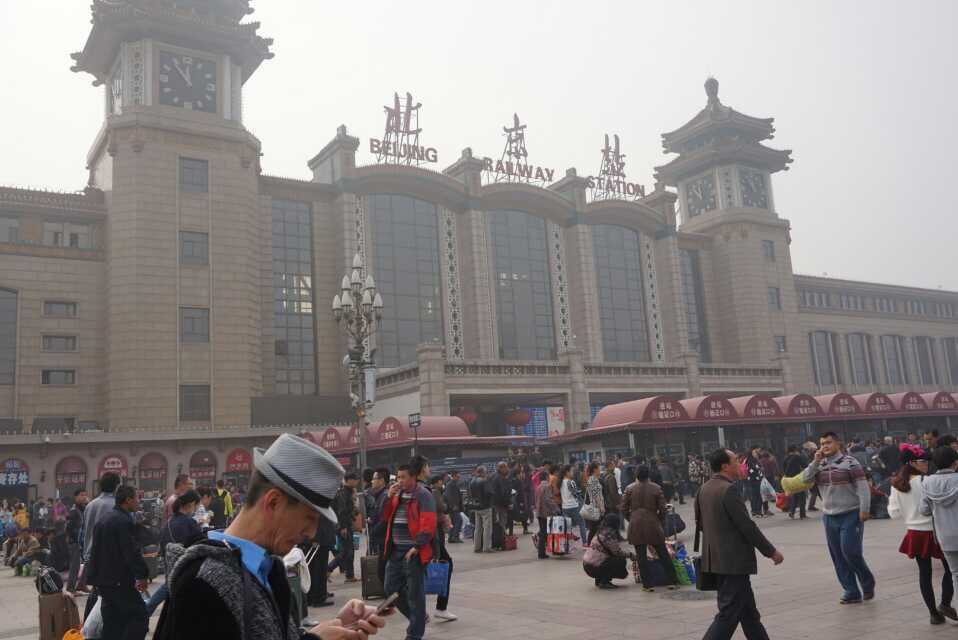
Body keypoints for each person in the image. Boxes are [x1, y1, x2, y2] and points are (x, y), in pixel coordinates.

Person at [154, 433, 387, 640]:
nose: (311, 533)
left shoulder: (270, 570)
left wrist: (335, 628)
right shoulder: (202, 583)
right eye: (309, 518)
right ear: (273, 502)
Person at [801, 431, 874, 604]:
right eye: (822, 443)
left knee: (850, 551)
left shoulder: (850, 462)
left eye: (828, 442)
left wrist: (864, 509)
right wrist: (816, 461)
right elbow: (805, 479)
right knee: (838, 556)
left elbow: (863, 487)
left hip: (851, 513)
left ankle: (867, 581)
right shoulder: (819, 463)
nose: (825, 446)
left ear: (838, 444)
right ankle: (851, 590)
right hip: (829, 516)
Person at [888, 444, 955, 625]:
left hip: (914, 533)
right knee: (951, 569)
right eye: (923, 461)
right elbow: (931, 508)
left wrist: (909, 513)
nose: (926, 464)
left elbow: (893, 513)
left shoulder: (896, 484)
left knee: (924, 573)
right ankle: (945, 603)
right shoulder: (926, 481)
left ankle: (934, 613)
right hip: (934, 531)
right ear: (912, 463)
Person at [380, 461, 437, 640]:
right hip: (395, 550)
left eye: (403, 477)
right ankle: (418, 618)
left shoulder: (423, 494)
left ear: (413, 477)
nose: (400, 480)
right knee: (390, 589)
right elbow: (384, 516)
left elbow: (428, 523)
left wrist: (417, 546)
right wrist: (388, 497)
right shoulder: (397, 494)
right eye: (398, 477)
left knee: (415, 594)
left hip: (413, 552)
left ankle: (414, 634)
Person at [85, 485, 150, 640]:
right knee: (139, 616)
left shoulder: (104, 520)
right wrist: (142, 575)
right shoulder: (123, 521)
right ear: (127, 500)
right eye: (136, 498)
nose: (138, 502)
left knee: (112, 622)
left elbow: (95, 551)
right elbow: (131, 552)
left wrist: (94, 578)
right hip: (119, 581)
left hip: (105, 582)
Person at [621, 465, 676, 592]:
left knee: (641, 556)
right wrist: (659, 521)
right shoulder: (656, 488)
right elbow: (663, 509)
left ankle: (648, 585)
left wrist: (632, 518)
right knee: (663, 553)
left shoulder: (629, 489)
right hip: (653, 523)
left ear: (636, 475)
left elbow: (623, 508)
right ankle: (672, 581)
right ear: (648, 475)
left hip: (636, 524)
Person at [920, 446, 958, 609]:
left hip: (945, 537)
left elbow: (924, 510)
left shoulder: (927, 482)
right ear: (955, 463)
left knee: (955, 574)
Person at [427, 471, 458, 622]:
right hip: (430, 534)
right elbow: (441, 507)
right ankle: (440, 608)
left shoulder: (424, 490)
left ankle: (438, 608)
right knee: (446, 564)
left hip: (429, 534)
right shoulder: (431, 492)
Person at [582, 513, 634, 589]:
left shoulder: (600, 530)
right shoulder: (609, 534)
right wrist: (631, 555)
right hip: (593, 567)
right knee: (620, 561)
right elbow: (617, 552)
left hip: (587, 565)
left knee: (607, 558)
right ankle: (604, 582)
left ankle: (599, 580)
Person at [328, 471, 360, 583]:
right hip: (343, 526)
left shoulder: (349, 492)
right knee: (347, 551)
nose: (357, 481)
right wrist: (343, 527)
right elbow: (342, 511)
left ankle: (349, 575)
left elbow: (350, 510)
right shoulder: (343, 493)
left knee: (348, 550)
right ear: (349, 480)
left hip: (345, 525)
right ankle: (329, 569)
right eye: (355, 479)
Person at [65, 488, 89, 595]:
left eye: (85, 495)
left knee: (87, 563)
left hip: (83, 542)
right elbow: (69, 528)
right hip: (74, 542)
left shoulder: (83, 509)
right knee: (75, 566)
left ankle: (82, 584)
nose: (84, 497)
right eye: (81, 495)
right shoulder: (74, 511)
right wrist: (75, 540)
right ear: (76, 497)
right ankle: (70, 588)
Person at [534, 465, 559, 559]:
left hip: (539, 512)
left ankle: (542, 551)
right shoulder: (547, 487)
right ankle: (544, 552)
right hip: (546, 513)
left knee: (543, 532)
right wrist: (556, 509)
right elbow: (549, 500)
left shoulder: (538, 487)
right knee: (547, 533)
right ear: (546, 477)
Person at [560, 465, 588, 544]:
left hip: (564, 507)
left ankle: (566, 546)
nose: (572, 473)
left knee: (568, 527)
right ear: (567, 472)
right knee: (582, 523)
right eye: (571, 471)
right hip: (574, 506)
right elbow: (576, 494)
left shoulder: (561, 481)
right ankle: (585, 543)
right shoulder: (571, 482)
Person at [469, 465, 493, 553]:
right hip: (485, 507)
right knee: (487, 528)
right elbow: (489, 493)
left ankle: (476, 547)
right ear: (482, 472)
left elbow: (471, 495)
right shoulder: (484, 481)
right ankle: (487, 547)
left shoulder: (472, 481)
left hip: (476, 507)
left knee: (478, 528)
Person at [367, 467, 391, 554]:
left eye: (374, 479)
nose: (371, 481)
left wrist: (372, 531)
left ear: (381, 481)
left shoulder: (385, 496)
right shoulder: (378, 496)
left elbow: (384, 519)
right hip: (378, 538)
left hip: (382, 540)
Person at [782, 445, 807, 520]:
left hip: (789, 480)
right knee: (802, 496)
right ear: (795, 450)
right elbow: (805, 465)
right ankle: (802, 515)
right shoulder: (797, 457)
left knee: (795, 496)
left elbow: (783, 469)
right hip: (797, 479)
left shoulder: (785, 458)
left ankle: (792, 512)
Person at [583, 461, 606, 543]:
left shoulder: (594, 479)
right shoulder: (593, 480)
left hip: (594, 507)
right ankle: (590, 546)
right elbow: (596, 496)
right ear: (595, 469)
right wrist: (601, 508)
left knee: (596, 529)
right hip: (594, 508)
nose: (600, 470)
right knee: (594, 529)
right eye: (599, 468)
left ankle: (593, 546)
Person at [491, 461, 513, 537]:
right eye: (506, 467)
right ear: (501, 468)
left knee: (500, 521)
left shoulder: (494, 476)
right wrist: (508, 503)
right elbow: (503, 492)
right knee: (502, 521)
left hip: (496, 503)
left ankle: (501, 536)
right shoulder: (500, 478)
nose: (507, 469)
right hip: (500, 504)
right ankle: (502, 538)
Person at [743, 447, 765, 517]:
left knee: (755, 496)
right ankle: (757, 511)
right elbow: (753, 471)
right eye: (754, 453)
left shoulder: (754, 461)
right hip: (755, 480)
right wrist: (760, 470)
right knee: (757, 496)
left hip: (755, 480)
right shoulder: (751, 462)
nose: (756, 454)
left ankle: (755, 511)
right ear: (751, 454)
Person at [443, 470, 464, 543]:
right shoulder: (450, 484)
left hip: (454, 507)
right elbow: (449, 496)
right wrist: (454, 506)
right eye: (458, 476)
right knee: (459, 521)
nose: (459, 478)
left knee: (454, 522)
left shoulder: (453, 484)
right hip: (453, 508)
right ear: (454, 476)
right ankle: (455, 537)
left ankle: (451, 538)